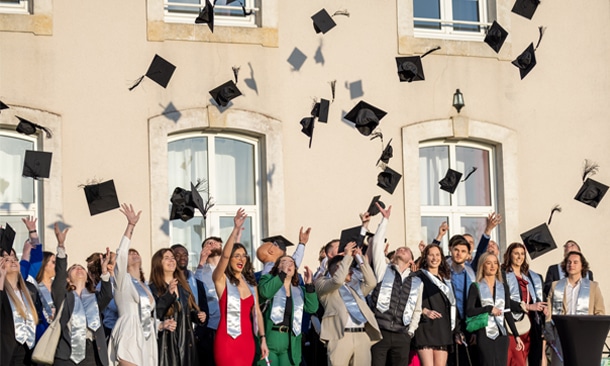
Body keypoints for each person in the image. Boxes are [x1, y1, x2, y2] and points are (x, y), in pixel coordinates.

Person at [368, 203, 423, 366]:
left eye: (406, 250)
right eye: (399, 248)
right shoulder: (383, 269)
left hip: (402, 335)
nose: (401, 249)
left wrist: (410, 332)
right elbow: (377, 245)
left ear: (411, 260)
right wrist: (385, 220)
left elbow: (417, 310)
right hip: (380, 332)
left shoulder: (417, 282)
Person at [51, 223, 114, 366]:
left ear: (87, 276)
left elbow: (107, 295)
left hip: (91, 352)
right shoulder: (64, 296)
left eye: (81, 268)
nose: (79, 269)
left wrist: (104, 271)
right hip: (67, 355)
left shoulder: (93, 298)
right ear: (68, 278)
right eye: (74, 268)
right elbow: (59, 279)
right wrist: (61, 247)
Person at [212, 208, 269, 366]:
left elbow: (257, 311)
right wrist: (235, 229)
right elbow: (224, 255)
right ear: (230, 259)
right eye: (236, 256)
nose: (241, 259)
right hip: (227, 341)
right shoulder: (221, 280)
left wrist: (263, 339)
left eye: (244, 255)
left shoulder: (251, 283)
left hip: (247, 341)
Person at [315, 241, 381, 365]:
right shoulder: (323, 283)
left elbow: (371, 282)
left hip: (362, 335)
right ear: (335, 268)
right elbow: (337, 281)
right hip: (340, 336)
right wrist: (346, 256)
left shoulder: (354, 288)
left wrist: (359, 258)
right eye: (346, 267)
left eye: (350, 267)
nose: (350, 271)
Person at [107, 204, 158, 366]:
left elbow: (146, 315)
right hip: (129, 332)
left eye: (135, 252)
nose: (133, 254)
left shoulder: (146, 285)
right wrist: (131, 225)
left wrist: (162, 324)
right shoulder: (122, 280)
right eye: (130, 253)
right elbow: (121, 254)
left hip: (147, 336)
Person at [546, 251, 605, 366]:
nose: (571, 265)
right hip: (561, 335)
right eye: (569, 262)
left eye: (575, 262)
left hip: (584, 335)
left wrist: (594, 335)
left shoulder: (593, 287)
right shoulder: (556, 286)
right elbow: (549, 313)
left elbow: (600, 313)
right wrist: (549, 334)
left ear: (582, 266)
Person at [257, 256, 318, 365]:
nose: (288, 264)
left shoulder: (299, 290)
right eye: (283, 262)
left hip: (290, 340)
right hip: (270, 337)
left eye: (291, 262)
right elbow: (265, 293)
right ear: (277, 267)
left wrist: (309, 284)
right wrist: (282, 275)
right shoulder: (266, 280)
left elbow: (312, 308)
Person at [149, 247, 205, 366]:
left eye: (172, 258)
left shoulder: (183, 286)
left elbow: (188, 312)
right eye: (167, 258)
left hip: (187, 345)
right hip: (167, 345)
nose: (172, 260)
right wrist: (168, 294)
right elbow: (155, 314)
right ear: (158, 263)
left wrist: (198, 316)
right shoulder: (153, 288)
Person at [466, 252, 524, 365]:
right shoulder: (475, 286)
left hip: (502, 334)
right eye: (488, 263)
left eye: (495, 263)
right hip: (484, 333)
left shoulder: (503, 287)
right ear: (483, 266)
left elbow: (507, 312)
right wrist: (488, 308)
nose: (492, 266)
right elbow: (469, 311)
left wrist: (517, 335)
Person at [501, 242, 547, 366]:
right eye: (516, 253)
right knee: (516, 358)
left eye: (522, 254)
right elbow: (503, 300)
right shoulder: (503, 274)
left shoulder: (529, 277)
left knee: (527, 356)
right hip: (511, 323)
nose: (519, 257)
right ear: (509, 255)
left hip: (529, 323)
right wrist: (526, 307)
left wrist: (543, 308)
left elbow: (534, 300)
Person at [414, 244, 459, 366]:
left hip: (442, 328)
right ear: (425, 257)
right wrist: (424, 311)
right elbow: (409, 301)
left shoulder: (447, 279)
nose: (435, 258)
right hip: (425, 327)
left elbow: (452, 305)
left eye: (437, 255)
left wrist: (457, 330)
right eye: (431, 255)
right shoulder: (418, 276)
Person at [0, 248, 41, 365]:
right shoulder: (2, 290)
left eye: (15, 259)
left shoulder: (30, 290)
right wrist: (1, 277)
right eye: (7, 260)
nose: (13, 261)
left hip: (28, 350)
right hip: (6, 351)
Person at [171, 243, 209, 363]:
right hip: (177, 338)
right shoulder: (170, 282)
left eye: (185, 254)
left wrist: (198, 335)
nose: (182, 257)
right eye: (177, 255)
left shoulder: (197, 282)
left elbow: (204, 309)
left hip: (197, 338)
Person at [445, 234, 478, 366]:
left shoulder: (471, 273)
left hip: (468, 324)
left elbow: (476, 302)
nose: (459, 254)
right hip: (449, 324)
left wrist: (475, 329)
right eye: (456, 250)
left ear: (468, 254)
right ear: (450, 250)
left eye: (463, 251)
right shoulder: (444, 272)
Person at [195, 236, 223, 366]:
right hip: (210, 327)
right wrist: (202, 260)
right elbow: (195, 290)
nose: (211, 244)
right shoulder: (200, 271)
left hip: (231, 325)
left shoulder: (230, 270)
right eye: (208, 243)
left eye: (215, 242)